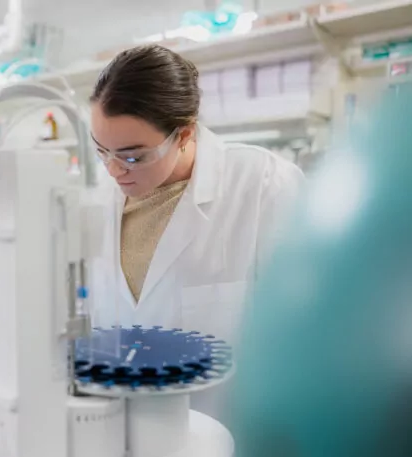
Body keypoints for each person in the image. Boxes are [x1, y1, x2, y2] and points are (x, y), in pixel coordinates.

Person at [88, 44, 304, 419]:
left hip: (227, 428)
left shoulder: (264, 184)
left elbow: (303, 333)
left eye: (133, 156)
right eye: (102, 150)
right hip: (123, 427)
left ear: (184, 134)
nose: (113, 170)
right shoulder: (98, 199)